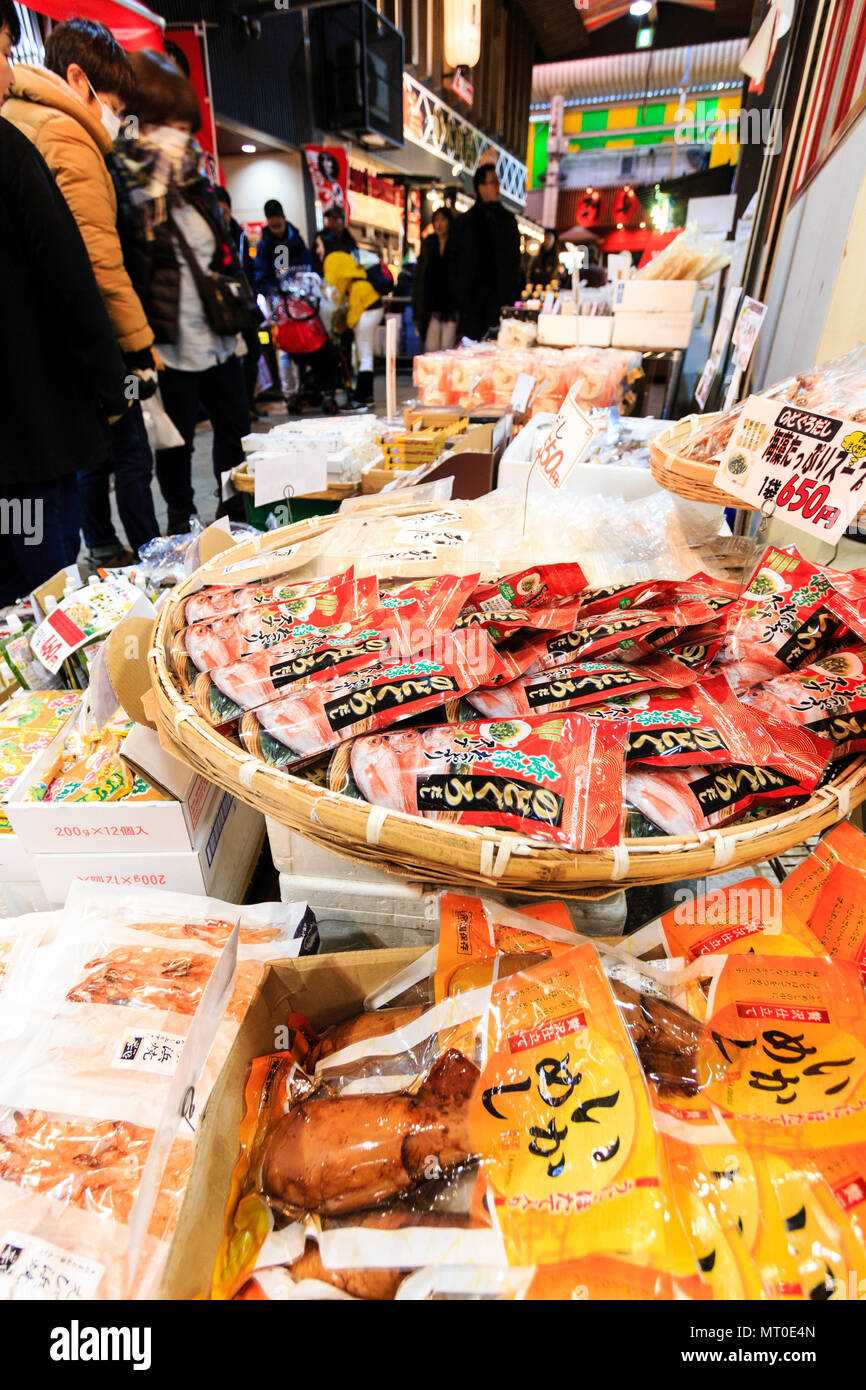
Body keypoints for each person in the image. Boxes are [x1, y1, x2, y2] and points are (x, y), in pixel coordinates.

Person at [4, 18, 161, 568]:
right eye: (113, 102)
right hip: (48, 389)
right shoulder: (63, 134)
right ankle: (152, 560)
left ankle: (104, 549)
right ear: (78, 77)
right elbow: (91, 264)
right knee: (121, 460)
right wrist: (133, 355)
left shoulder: (20, 124)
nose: (117, 118)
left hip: (34, 388)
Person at [117, 49, 251, 532]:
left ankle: (232, 513)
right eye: (169, 122)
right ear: (142, 122)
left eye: (184, 124)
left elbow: (222, 254)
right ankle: (180, 522)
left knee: (235, 428)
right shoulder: (126, 186)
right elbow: (126, 270)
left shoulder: (198, 183)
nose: (180, 135)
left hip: (217, 333)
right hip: (167, 344)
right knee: (175, 443)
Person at [452, 162, 521, 342]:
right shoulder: (465, 222)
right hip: (471, 305)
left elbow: (514, 263)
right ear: (480, 187)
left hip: (501, 303)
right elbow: (457, 263)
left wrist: (512, 295)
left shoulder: (508, 221)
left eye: (498, 182)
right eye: (494, 182)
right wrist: (460, 297)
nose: (498, 187)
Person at [215, 185, 262, 417]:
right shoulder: (212, 238)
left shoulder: (240, 236)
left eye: (224, 212)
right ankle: (240, 406)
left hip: (245, 307)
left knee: (253, 352)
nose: (221, 217)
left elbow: (250, 271)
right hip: (222, 313)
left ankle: (248, 403)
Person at [323, 251, 382, 408]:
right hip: (372, 312)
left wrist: (341, 328)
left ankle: (363, 397)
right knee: (365, 355)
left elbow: (354, 314)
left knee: (365, 356)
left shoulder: (357, 287)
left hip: (368, 314)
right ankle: (364, 396)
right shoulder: (360, 284)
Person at [412, 206, 457, 352]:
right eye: (436, 220)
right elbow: (419, 277)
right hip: (430, 306)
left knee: (448, 350)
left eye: (443, 219)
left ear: (450, 222)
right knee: (431, 351)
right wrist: (416, 309)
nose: (439, 224)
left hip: (451, 307)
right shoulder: (428, 244)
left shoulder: (457, 245)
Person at [253, 198, 311, 294]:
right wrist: (274, 290)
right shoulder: (264, 246)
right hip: (275, 295)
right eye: (273, 227)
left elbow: (308, 266)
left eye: (279, 225)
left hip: (299, 292)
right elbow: (261, 276)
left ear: (284, 218)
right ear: (267, 221)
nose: (277, 230)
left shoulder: (296, 240)